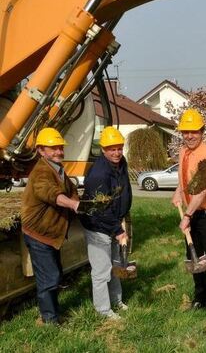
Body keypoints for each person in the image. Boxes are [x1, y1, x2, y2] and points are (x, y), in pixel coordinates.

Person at [171, 108, 206, 318]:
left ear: (202, 131)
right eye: (185, 132)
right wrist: (179, 192)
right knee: (194, 258)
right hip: (193, 211)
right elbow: (185, 178)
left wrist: (187, 216)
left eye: (193, 131)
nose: (189, 136)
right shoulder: (184, 151)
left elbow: (202, 190)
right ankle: (201, 298)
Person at [21, 128, 80, 325]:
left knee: (54, 274)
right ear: (41, 150)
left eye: (60, 147)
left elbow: (71, 191)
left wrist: (80, 201)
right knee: (50, 277)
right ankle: (49, 320)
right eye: (53, 148)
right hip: (39, 233)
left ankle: (52, 314)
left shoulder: (58, 169)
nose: (59, 152)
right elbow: (51, 193)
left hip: (51, 233)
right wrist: (72, 204)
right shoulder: (41, 172)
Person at [80, 127, 132, 320]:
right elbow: (100, 209)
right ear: (103, 150)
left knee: (116, 264)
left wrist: (123, 216)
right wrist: (117, 230)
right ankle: (103, 310)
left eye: (119, 148)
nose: (116, 152)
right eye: (112, 149)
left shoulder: (120, 163)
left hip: (114, 220)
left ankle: (116, 301)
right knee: (101, 270)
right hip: (98, 226)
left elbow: (122, 191)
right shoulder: (99, 174)